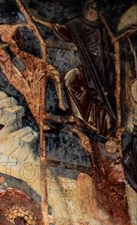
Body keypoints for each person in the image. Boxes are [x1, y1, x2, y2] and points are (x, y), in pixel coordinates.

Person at [0, 10, 66, 128]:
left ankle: (61, 102)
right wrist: (7, 40)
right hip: (10, 66)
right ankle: (40, 120)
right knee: (28, 91)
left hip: (21, 57)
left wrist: (25, 25)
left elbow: (10, 28)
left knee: (53, 71)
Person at [33, 1, 116, 137]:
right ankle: (79, 116)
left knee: (101, 97)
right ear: (85, 11)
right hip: (87, 68)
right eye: (90, 11)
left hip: (101, 71)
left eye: (95, 12)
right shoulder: (77, 24)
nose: (92, 14)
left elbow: (107, 51)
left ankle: (96, 124)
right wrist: (38, 21)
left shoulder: (102, 30)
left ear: (99, 14)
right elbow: (60, 28)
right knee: (69, 80)